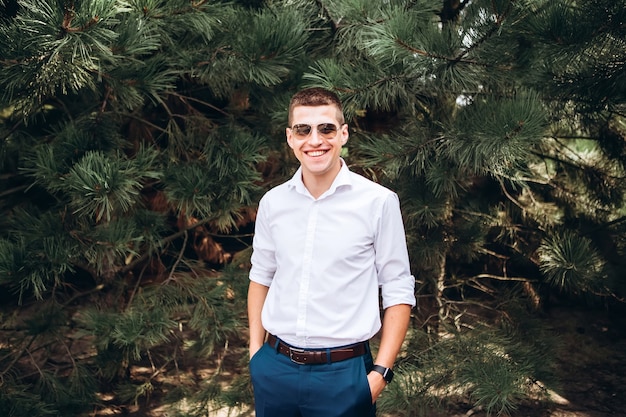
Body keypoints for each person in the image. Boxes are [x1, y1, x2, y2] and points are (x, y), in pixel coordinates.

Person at [247, 87, 416, 417]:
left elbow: (398, 289)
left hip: (345, 374)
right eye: (303, 129)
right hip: (275, 368)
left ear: (343, 134)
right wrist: (256, 353)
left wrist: (380, 374)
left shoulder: (378, 202)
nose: (315, 140)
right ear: (290, 138)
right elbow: (260, 275)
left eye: (326, 128)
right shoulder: (273, 203)